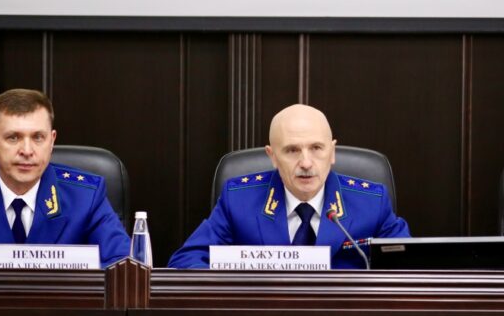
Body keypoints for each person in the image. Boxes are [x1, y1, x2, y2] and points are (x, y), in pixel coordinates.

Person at [168, 104, 410, 269]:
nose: (306, 163)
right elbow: (186, 261)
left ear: (332, 152)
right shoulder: (239, 199)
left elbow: (410, 267)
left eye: (316, 148)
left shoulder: (371, 202)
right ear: (272, 156)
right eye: (292, 150)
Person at [0, 88, 129, 268]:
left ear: (52, 141)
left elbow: (122, 266)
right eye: (13, 137)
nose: (26, 150)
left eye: (38, 137)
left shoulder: (86, 197)